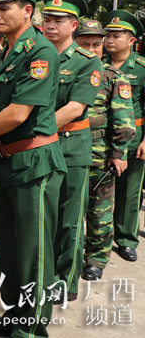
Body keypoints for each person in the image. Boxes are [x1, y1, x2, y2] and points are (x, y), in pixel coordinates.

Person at [0, 0, 65, 338]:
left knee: (34, 254)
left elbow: (18, 113)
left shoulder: (39, 51)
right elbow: (2, 105)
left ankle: (32, 330)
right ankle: (14, 318)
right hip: (10, 162)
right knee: (8, 252)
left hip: (34, 164)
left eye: (5, 7)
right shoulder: (11, 50)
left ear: (27, 10)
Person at [41, 0, 103, 301]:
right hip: (39, 148)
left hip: (70, 147)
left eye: (58, 19)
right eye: (47, 18)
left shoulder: (86, 62)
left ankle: (66, 282)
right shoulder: (35, 54)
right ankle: (44, 275)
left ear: (73, 25)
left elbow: (75, 108)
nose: (50, 24)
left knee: (68, 220)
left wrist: (34, 131)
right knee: (45, 218)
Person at [75, 19, 135, 280]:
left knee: (99, 211)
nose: (91, 48)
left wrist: (118, 153)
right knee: (70, 209)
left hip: (100, 153)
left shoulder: (113, 77)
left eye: (96, 44)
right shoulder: (68, 71)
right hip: (69, 150)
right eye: (85, 43)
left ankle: (96, 258)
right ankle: (71, 254)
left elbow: (123, 119)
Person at [102, 10, 145, 263]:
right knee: (101, 191)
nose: (110, 40)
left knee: (130, 191)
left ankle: (126, 239)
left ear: (131, 40)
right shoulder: (97, 64)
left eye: (116, 35)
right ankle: (100, 239)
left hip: (134, 137)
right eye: (108, 35)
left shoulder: (140, 69)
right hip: (102, 138)